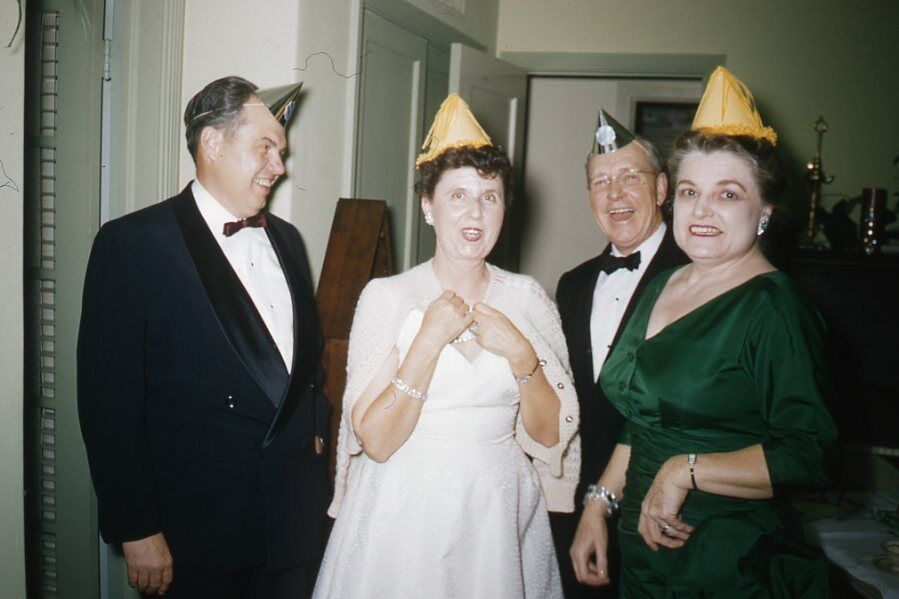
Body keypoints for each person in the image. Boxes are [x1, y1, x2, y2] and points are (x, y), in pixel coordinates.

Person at [570, 67, 838, 597]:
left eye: (729, 194)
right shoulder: (667, 282)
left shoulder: (774, 307)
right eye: (691, 191)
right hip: (643, 554)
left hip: (727, 561)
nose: (703, 210)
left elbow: (812, 454)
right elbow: (643, 418)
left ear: (764, 211)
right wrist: (599, 503)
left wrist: (684, 471)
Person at [313, 93, 579, 598]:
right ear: (428, 206)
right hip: (401, 513)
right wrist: (427, 342)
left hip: (497, 512)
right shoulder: (387, 297)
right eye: (457, 195)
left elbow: (548, 437)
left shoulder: (527, 298)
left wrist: (523, 356)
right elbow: (377, 441)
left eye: (490, 196)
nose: (474, 212)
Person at [77, 76, 330, 599]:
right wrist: (137, 528)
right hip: (197, 536)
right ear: (212, 143)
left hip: (293, 524)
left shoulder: (288, 239)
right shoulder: (132, 245)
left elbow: (310, 363)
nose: (279, 167)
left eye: (280, 152)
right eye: (266, 147)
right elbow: (109, 404)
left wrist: (315, 426)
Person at [553, 109, 687, 597]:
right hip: (576, 509)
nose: (615, 195)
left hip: (664, 512)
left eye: (631, 178)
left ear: (662, 189)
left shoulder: (694, 278)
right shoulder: (572, 284)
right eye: (601, 182)